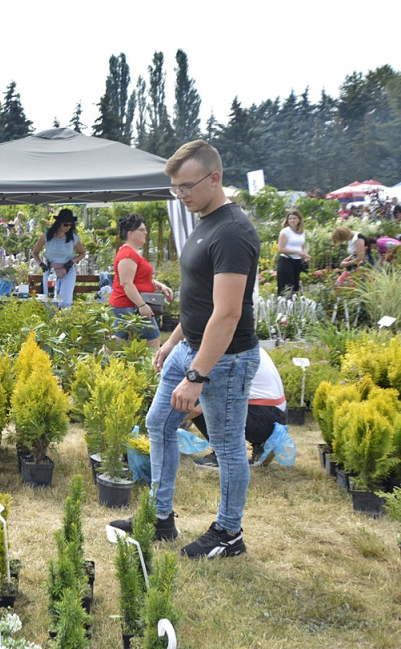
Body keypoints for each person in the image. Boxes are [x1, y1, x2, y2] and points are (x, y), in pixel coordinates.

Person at [109, 140, 260, 560]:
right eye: (176, 188)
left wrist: (197, 375)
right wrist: (173, 341)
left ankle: (229, 532)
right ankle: (161, 519)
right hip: (189, 346)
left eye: (187, 186)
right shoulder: (205, 220)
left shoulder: (232, 230)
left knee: (227, 447)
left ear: (215, 178)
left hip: (223, 359)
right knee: (158, 424)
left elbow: (227, 314)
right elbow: (200, 300)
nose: (181, 195)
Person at [187, 348, 290, 468]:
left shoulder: (228, 354)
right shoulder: (249, 346)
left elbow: (201, 408)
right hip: (277, 415)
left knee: (197, 399)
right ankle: (260, 445)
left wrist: (171, 421)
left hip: (261, 419)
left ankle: (222, 454)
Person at [109, 213, 174, 348]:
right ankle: (154, 367)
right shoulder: (128, 254)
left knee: (117, 342)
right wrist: (142, 305)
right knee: (153, 340)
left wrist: (159, 285)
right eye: (142, 230)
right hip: (129, 305)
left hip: (129, 305)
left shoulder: (132, 253)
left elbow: (139, 276)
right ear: (131, 233)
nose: (146, 232)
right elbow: (126, 283)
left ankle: (95, 364)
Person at [31, 208, 87, 309]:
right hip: (50, 271)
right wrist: (41, 264)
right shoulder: (47, 235)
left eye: (71, 225)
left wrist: (72, 261)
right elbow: (35, 252)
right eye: (66, 224)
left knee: (65, 302)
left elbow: (82, 253)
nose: (68, 227)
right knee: (50, 302)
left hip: (67, 270)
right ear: (59, 223)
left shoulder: (73, 236)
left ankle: (64, 323)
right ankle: (51, 323)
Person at [276, 209, 310, 296]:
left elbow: (302, 247)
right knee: (286, 287)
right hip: (286, 261)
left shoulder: (301, 232)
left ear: (299, 220)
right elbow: (280, 249)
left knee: (295, 288)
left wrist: (305, 254)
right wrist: (297, 252)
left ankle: (294, 307)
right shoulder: (285, 232)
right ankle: (283, 306)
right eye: (290, 218)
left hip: (297, 262)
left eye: (294, 218)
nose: (292, 220)